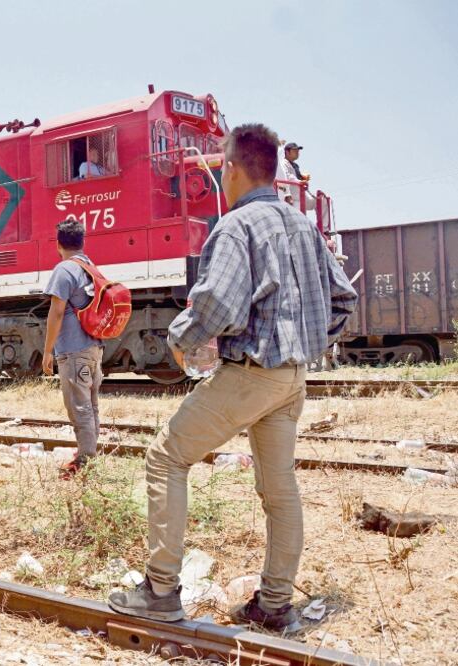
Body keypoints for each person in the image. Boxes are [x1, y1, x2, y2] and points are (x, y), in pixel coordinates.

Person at [107, 125, 357, 632]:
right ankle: (274, 604)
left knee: (166, 457)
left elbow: (217, 302)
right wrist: (307, 341)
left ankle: (159, 591)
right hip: (292, 379)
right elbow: (343, 299)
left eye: (223, 166)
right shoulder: (302, 225)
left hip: (253, 374)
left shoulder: (237, 225)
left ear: (235, 168)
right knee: (279, 487)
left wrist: (181, 338)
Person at [41, 219, 103, 479]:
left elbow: (56, 312)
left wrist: (47, 351)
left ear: (58, 245)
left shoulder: (64, 269)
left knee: (79, 406)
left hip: (74, 351)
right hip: (92, 347)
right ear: (82, 242)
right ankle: (89, 453)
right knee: (90, 404)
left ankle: (86, 461)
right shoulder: (89, 266)